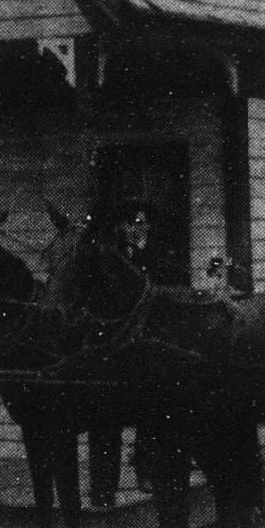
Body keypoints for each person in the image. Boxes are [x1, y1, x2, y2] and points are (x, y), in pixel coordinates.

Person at [88, 200, 179, 507]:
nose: (134, 229)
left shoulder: (161, 255)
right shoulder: (109, 254)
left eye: (141, 223)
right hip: (117, 341)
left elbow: (163, 291)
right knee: (104, 416)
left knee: (151, 412)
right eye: (129, 223)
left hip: (151, 339)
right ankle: (103, 487)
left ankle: (147, 473)